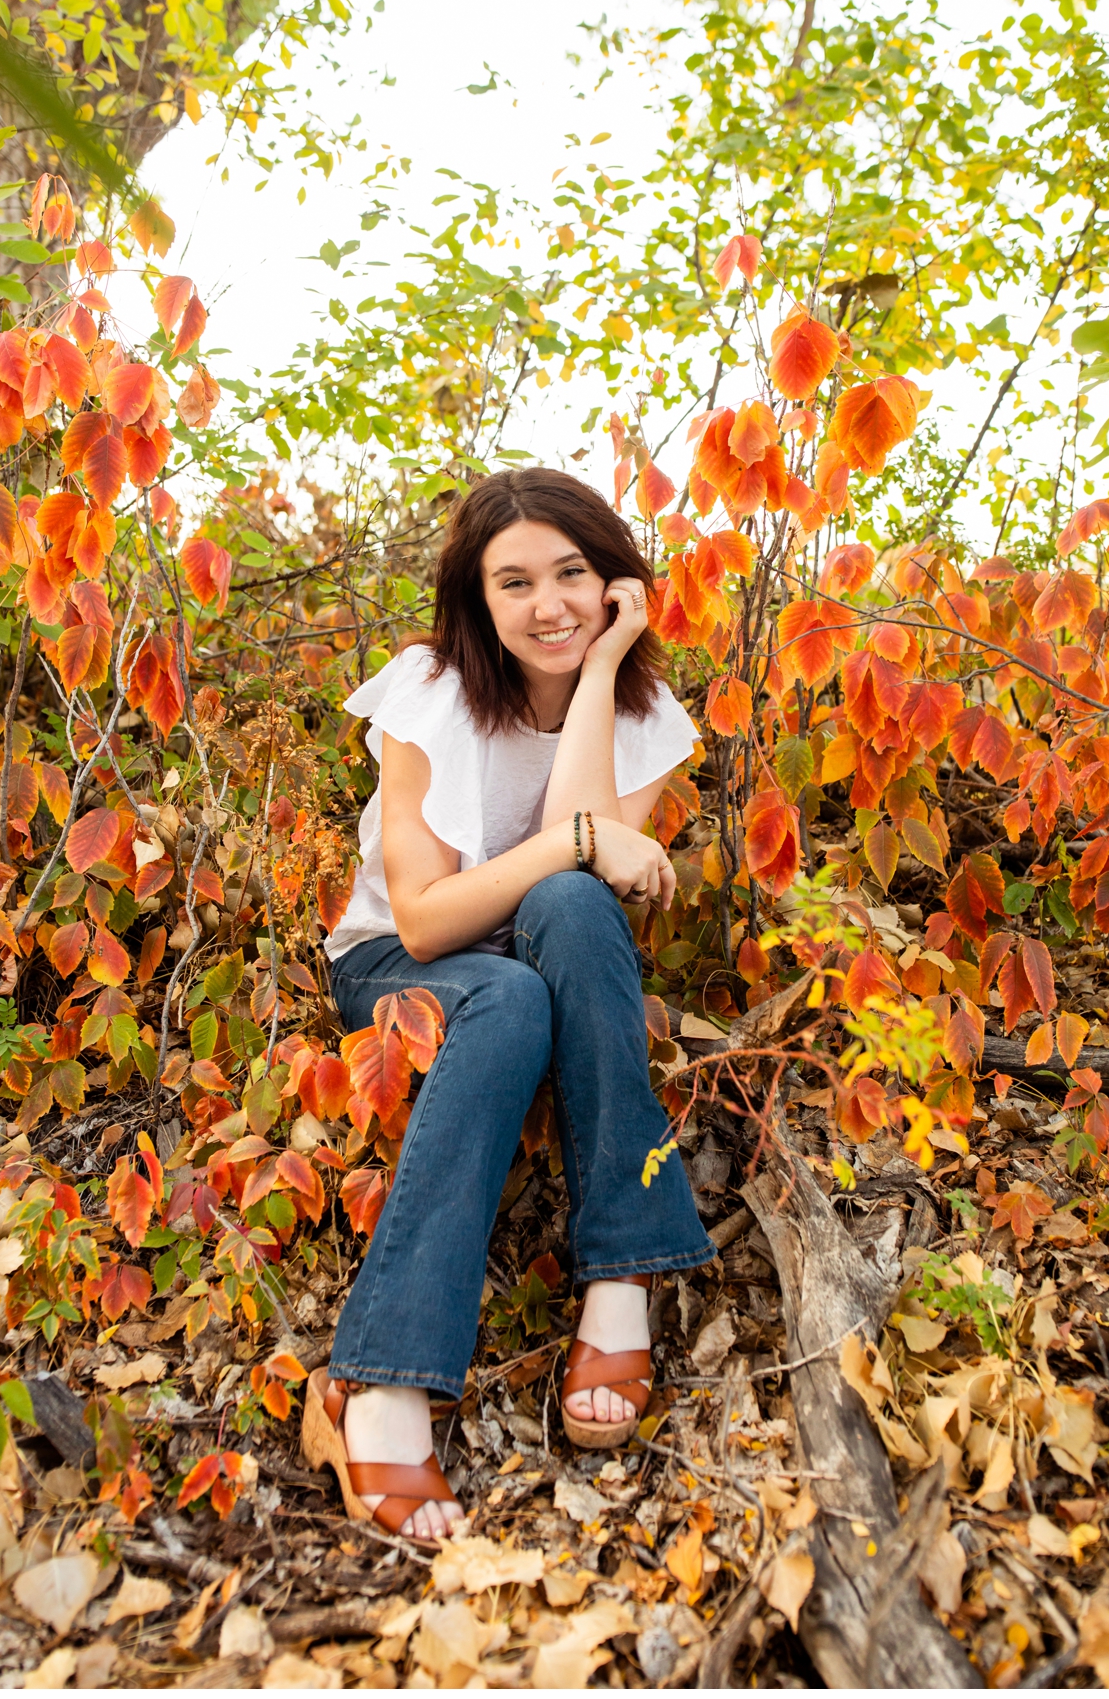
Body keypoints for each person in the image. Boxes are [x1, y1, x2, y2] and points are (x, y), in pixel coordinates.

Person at [298, 467, 715, 1544]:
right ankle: (378, 1383)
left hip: (535, 952)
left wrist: (606, 669)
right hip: (399, 962)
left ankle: (619, 1273)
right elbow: (430, 920)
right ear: (479, 602)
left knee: (569, 914)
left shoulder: (643, 712)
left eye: (573, 574)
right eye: (515, 582)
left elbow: (583, 876)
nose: (550, 606)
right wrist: (581, 840)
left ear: (613, 578)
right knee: (511, 987)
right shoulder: (429, 692)